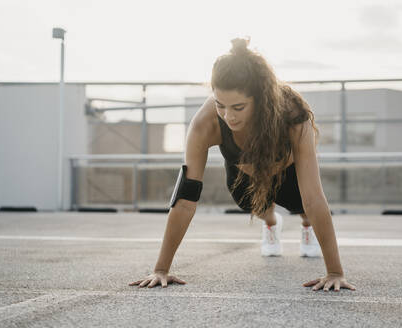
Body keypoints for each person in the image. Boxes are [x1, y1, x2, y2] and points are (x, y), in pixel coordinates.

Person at [129, 37, 356, 292]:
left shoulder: (292, 114)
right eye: (220, 105)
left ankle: (306, 226)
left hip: (288, 173)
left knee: (303, 206)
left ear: (261, 98)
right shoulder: (205, 124)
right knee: (250, 204)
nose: (228, 116)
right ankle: (271, 223)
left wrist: (335, 272)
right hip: (243, 173)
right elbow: (185, 199)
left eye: (238, 107)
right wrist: (161, 269)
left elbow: (314, 197)